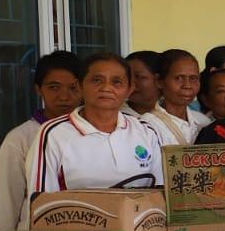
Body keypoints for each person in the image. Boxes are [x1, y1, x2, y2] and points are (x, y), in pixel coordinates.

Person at [27, 53, 164, 209]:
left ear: (129, 89)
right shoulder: (53, 134)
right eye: (97, 80)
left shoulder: (146, 132)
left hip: (140, 230)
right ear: (79, 86)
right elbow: (41, 204)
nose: (106, 88)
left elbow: (160, 195)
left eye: (117, 82)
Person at [0, 51, 82, 231]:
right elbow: (6, 202)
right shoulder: (20, 139)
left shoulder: (94, 133)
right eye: (54, 87)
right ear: (38, 89)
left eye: (73, 88)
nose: (64, 96)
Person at [143, 50, 212, 147]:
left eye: (193, 78)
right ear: (159, 81)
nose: (187, 85)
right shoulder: (148, 126)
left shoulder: (203, 122)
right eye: (179, 78)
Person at [124, 50, 160, 117]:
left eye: (138, 76)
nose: (131, 82)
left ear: (159, 80)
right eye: (127, 76)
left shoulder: (171, 115)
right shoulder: (116, 115)